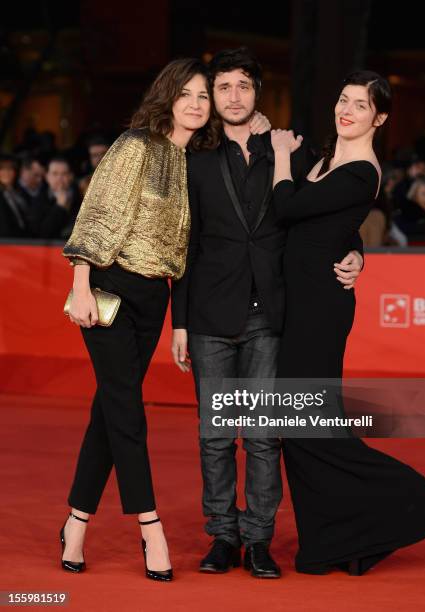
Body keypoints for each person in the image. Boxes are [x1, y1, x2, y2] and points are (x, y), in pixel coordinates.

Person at [171, 48, 365, 579]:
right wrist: (180, 323)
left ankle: (258, 540)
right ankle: (222, 536)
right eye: (224, 87)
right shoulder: (196, 159)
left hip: (273, 314)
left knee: (261, 434)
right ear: (213, 96)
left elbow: (327, 215)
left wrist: (356, 252)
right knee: (215, 434)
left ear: (258, 92)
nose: (234, 97)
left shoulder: (291, 151)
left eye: (243, 86)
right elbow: (183, 245)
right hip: (210, 314)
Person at [271, 70, 425, 576]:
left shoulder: (362, 171)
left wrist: (283, 153)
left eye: (361, 105)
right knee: (299, 426)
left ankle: (409, 500)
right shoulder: (328, 158)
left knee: (307, 425)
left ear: (380, 117)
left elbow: (287, 206)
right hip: (299, 302)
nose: (346, 110)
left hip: (321, 308)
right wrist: (356, 249)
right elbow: (331, 225)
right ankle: (335, 541)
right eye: (343, 100)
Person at [59, 58, 216, 582]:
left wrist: (178, 322)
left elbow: (188, 249)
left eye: (204, 95)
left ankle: (76, 522)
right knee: (128, 411)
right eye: (188, 93)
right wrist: (80, 282)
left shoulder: (193, 160)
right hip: (109, 289)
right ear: (167, 95)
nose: (197, 103)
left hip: (154, 300)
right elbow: (98, 212)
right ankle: (151, 526)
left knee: (110, 411)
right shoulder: (134, 146)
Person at [29, 156, 81, 239]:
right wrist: (59, 207)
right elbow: (42, 234)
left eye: (64, 174)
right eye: (55, 174)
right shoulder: (38, 200)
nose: (59, 178)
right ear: (47, 177)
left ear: (71, 176)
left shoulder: (82, 198)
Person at [0, 154, 30, 238]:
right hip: (6, 243)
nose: (6, 173)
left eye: (10, 169)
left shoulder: (20, 193)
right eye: (2, 169)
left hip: (23, 241)